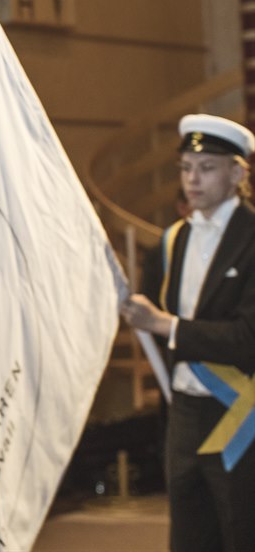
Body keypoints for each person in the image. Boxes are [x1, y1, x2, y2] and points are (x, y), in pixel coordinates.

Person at [121, 113, 254, 552]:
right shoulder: (173, 239)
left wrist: (164, 324)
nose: (192, 180)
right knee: (189, 536)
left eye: (207, 168)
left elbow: (248, 338)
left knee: (240, 530)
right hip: (182, 412)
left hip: (240, 414)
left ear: (237, 174)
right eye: (186, 167)